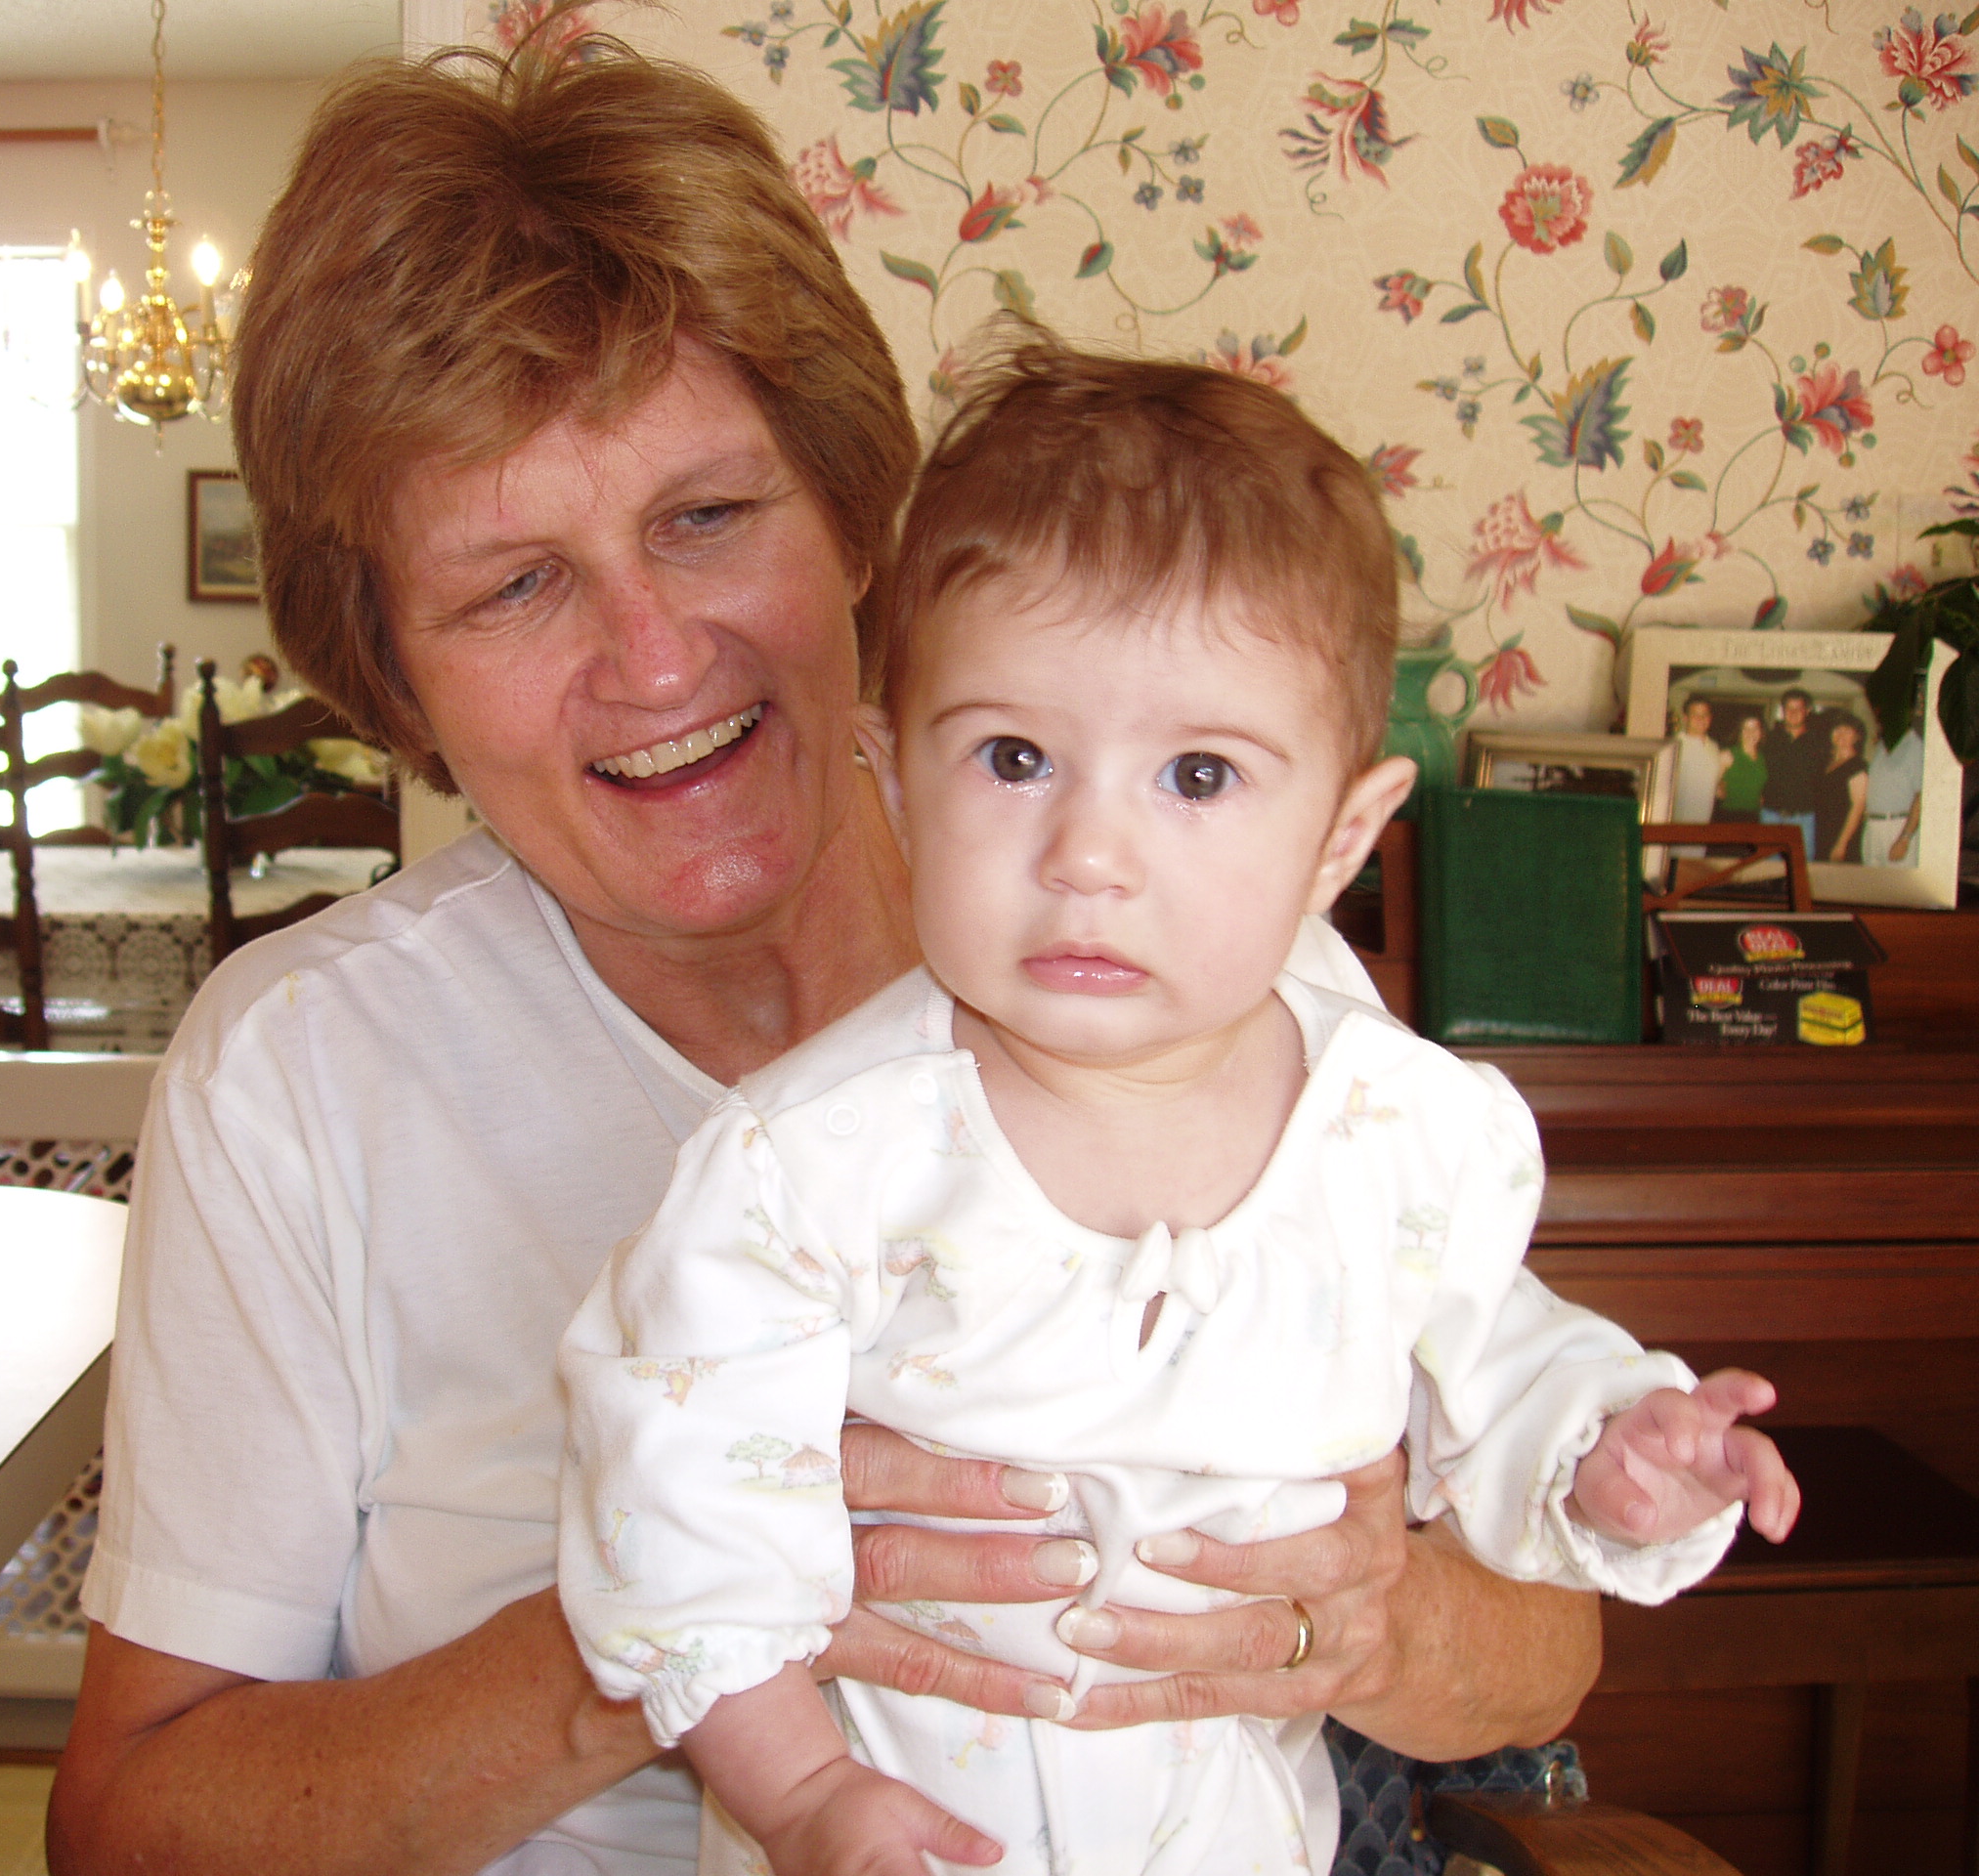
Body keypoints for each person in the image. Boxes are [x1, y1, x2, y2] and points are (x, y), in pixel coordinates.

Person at [49, 34, 1613, 1876]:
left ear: (860, 520)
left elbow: (1546, 1649)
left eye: (709, 518)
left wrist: (1371, 1627)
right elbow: (128, 1828)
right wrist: (665, 1617)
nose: (654, 660)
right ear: (395, 674)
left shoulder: (1189, 974)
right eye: (515, 584)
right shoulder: (300, 1072)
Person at [558, 347, 1797, 1876]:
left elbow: (1506, 1370)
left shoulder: (1403, 1141)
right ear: (893, 779)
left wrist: (1620, 1451)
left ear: (1341, 836)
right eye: (1015, 759)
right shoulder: (808, 1169)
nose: (1090, 853)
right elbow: (678, 1523)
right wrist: (803, 1795)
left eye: (1198, 776)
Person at [1757, 688, 1825, 856]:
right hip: (1770, 815)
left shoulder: (1818, 742)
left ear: (1807, 711)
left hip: (1803, 818)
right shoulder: (1769, 739)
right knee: (1769, 865)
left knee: (1801, 865)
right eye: (1789, 708)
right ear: (1782, 710)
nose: (1793, 713)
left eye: (1798, 708)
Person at [1863, 722, 1924, 868]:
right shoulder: (1882, 744)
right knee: (1871, 881)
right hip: (1873, 828)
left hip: (1897, 827)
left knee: (1898, 881)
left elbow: (1921, 796)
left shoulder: (1914, 746)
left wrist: (1905, 838)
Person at [1815, 717, 1871, 864]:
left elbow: (1858, 807)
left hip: (1842, 834)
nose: (1841, 734)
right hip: (1822, 832)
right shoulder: (1826, 764)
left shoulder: (1857, 766)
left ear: (1857, 737)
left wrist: (1842, 844)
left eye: (1847, 731)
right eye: (1838, 729)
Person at [1671, 696, 1732, 825]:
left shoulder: (1714, 747)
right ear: (1685, 718)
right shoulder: (1674, 745)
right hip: (1678, 821)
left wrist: (1720, 787)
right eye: (1695, 715)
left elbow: (1717, 788)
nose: (1701, 719)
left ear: (1710, 718)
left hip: (1704, 821)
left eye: (1705, 715)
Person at [1716, 713, 1767, 824]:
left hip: (1754, 816)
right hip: (1729, 816)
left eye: (1755, 728)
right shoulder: (1728, 754)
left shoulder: (1763, 758)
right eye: (1746, 729)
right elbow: (1711, 786)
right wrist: (1719, 788)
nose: (1751, 733)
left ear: (1761, 732)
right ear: (1740, 732)